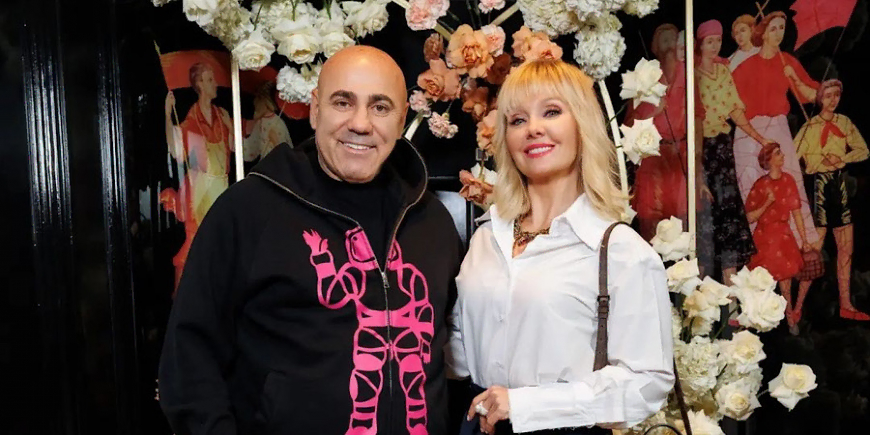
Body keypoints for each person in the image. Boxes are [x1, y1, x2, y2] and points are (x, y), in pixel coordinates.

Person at [158, 46, 464, 435]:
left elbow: (451, 345)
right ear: (316, 109)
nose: (360, 124)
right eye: (343, 102)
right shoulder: (249, 211)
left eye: (380, 107)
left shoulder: (430, 219)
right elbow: (188, 359)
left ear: (402, 118)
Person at [447, 60, 674, 435]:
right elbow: (459, 345)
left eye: (551, 112)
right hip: (477, 425)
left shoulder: (619, 250)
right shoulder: (488, 234)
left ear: (582, 125)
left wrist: (529, 405)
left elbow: (647, 383)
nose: (533, 128)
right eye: (517, 120)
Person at [695, 19, 769, 285]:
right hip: (701, 150)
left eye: (718, 40)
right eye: (709, 41)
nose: (715, 46)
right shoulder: (692, 75)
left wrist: (760, 138)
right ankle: (700, 290)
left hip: (723, 148)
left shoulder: (723, 72)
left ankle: (731, 290)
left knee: (728, 214)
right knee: (705, 216)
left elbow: (735, 111)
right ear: (700, 44)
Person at [794, 79, 870, 321]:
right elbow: (793, 157)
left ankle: (846, 305)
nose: (833, 100)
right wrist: (816, 160)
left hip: (839, 186)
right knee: (813, 253)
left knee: (845, 249)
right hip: (820, 187)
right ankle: (797, 308)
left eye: (836, 95)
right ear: (819, 99)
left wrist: (842, 159)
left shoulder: (844, 122)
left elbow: (864, 150)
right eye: (828, 96)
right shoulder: (809, 126)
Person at [625, 23, 688, 241]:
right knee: (651, 218)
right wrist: (653, 110)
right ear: (655, 47)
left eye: (673, 39)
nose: (670, 45)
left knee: (683, 220)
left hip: (681, 157)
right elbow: (629, 124)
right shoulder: (643, 78)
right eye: (664, 40)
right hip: (653, 159)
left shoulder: (689, 75)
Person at [744, 143, 811, 333]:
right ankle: (757, 321)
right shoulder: (761, 185)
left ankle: (790, 320)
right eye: (777, 153)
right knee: (760, 282)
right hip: (764, 237)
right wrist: (767, 203)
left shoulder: (788, 180)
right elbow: (749, 217)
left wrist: (804, 239)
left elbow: (796, 212)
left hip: (783, 236)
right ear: (769, 160)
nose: (782, 156)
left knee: (785, 284)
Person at [243, 82, 292, 163]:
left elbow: (288, 151)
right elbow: (252, 148)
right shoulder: (261, 122)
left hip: (277, 164)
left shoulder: (278, 122)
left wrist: (276, 141)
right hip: (267, 164)